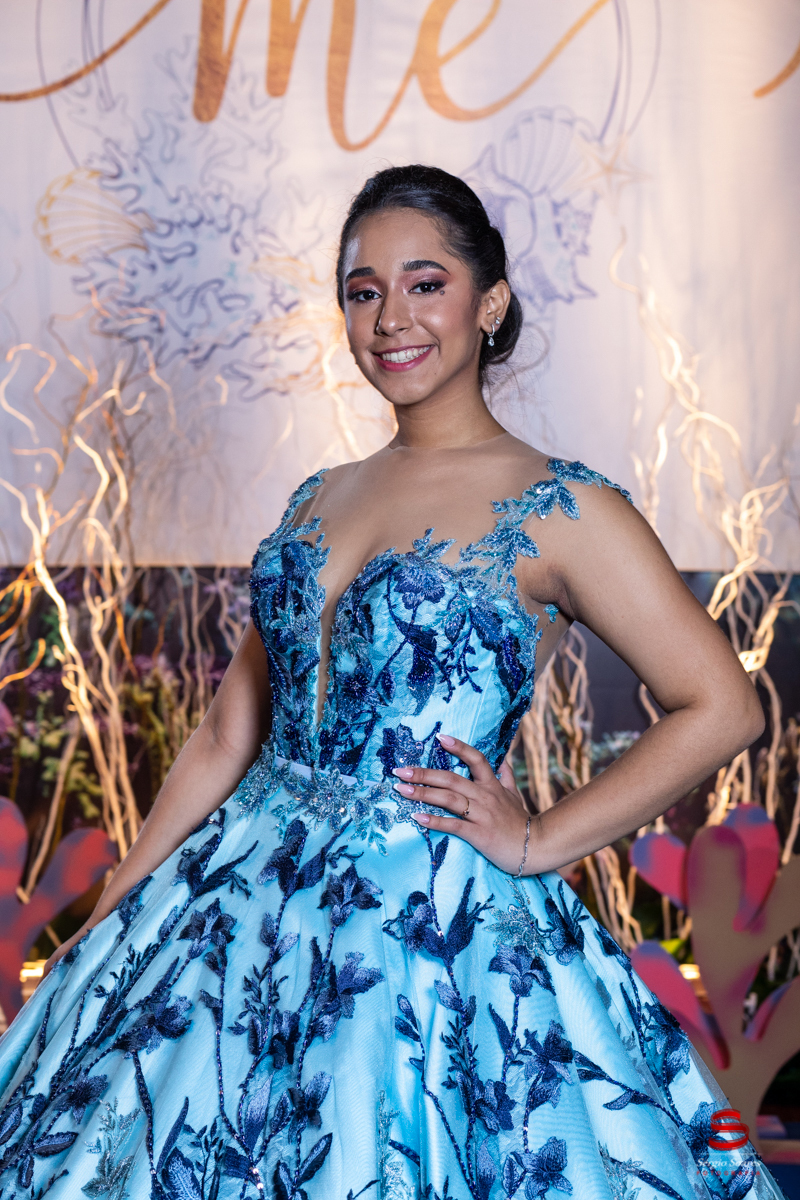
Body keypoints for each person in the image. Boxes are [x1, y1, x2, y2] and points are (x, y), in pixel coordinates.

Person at [0, 166, 782, 1200]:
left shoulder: (561, 507)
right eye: (363, 291)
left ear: (488, 303)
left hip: (421, 923)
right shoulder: (319, 496)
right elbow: (231, 733)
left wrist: (540, 840)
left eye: (424, 284)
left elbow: (723, 706)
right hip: (236, 906)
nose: (389, 319)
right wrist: (124, 893)